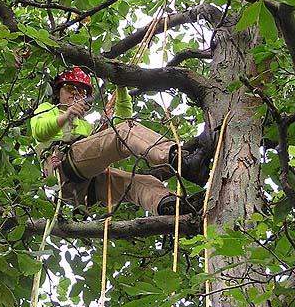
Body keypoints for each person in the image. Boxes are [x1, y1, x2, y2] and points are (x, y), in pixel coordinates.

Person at [30, 67, 214, 216]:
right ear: (58, 92)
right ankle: (182, 161)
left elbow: (122, 125)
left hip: (86, 187)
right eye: (70, 90)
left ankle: (170, 205)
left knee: (142, 182)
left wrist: (121, 88)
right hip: (62, 168)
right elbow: (40, 131)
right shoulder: (48, 109)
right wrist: (67, 115)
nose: (76, 95)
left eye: (81, 93)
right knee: (124, 131)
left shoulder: (85, 127)